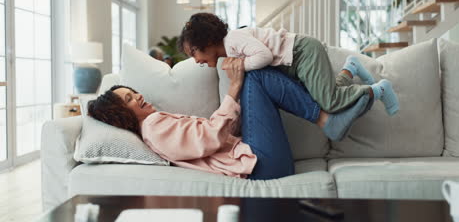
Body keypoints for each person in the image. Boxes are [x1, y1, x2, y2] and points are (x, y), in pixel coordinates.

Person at [87, 58, 372, 180]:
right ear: (122, 114)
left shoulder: (157, 121)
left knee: (258, 71)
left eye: (132, 93)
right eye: (128, 100)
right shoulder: (153, 127)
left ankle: (334, 94)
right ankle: (326, 116)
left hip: (255, 155)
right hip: (261, 167)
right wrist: (234, 87)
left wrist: (235, 106)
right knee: (255, 76)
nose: (137, 97)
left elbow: (218, 135)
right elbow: (209, 138)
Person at [176, 12, 399, 116]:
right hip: (294, 61)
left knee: (329, 103)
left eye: (194, 53)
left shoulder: (233, 39)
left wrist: (242, 66)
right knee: (321, 96)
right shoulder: (229, 51)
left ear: (206, 40)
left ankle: (377, 90)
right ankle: (351, 68)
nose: (196, 61)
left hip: (302, 52)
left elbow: (263, 56)